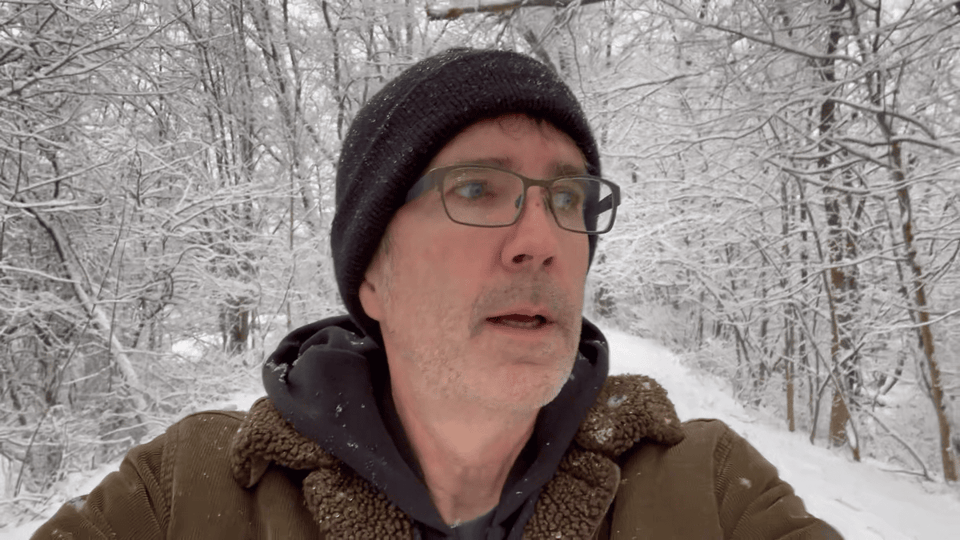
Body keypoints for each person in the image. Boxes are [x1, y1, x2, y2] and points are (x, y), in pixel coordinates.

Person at [33, 48, 841, 539]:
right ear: (373, 273)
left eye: (568, 199)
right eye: (481, 191)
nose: (542, 240)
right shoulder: (192, 490)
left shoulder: (705, 487)